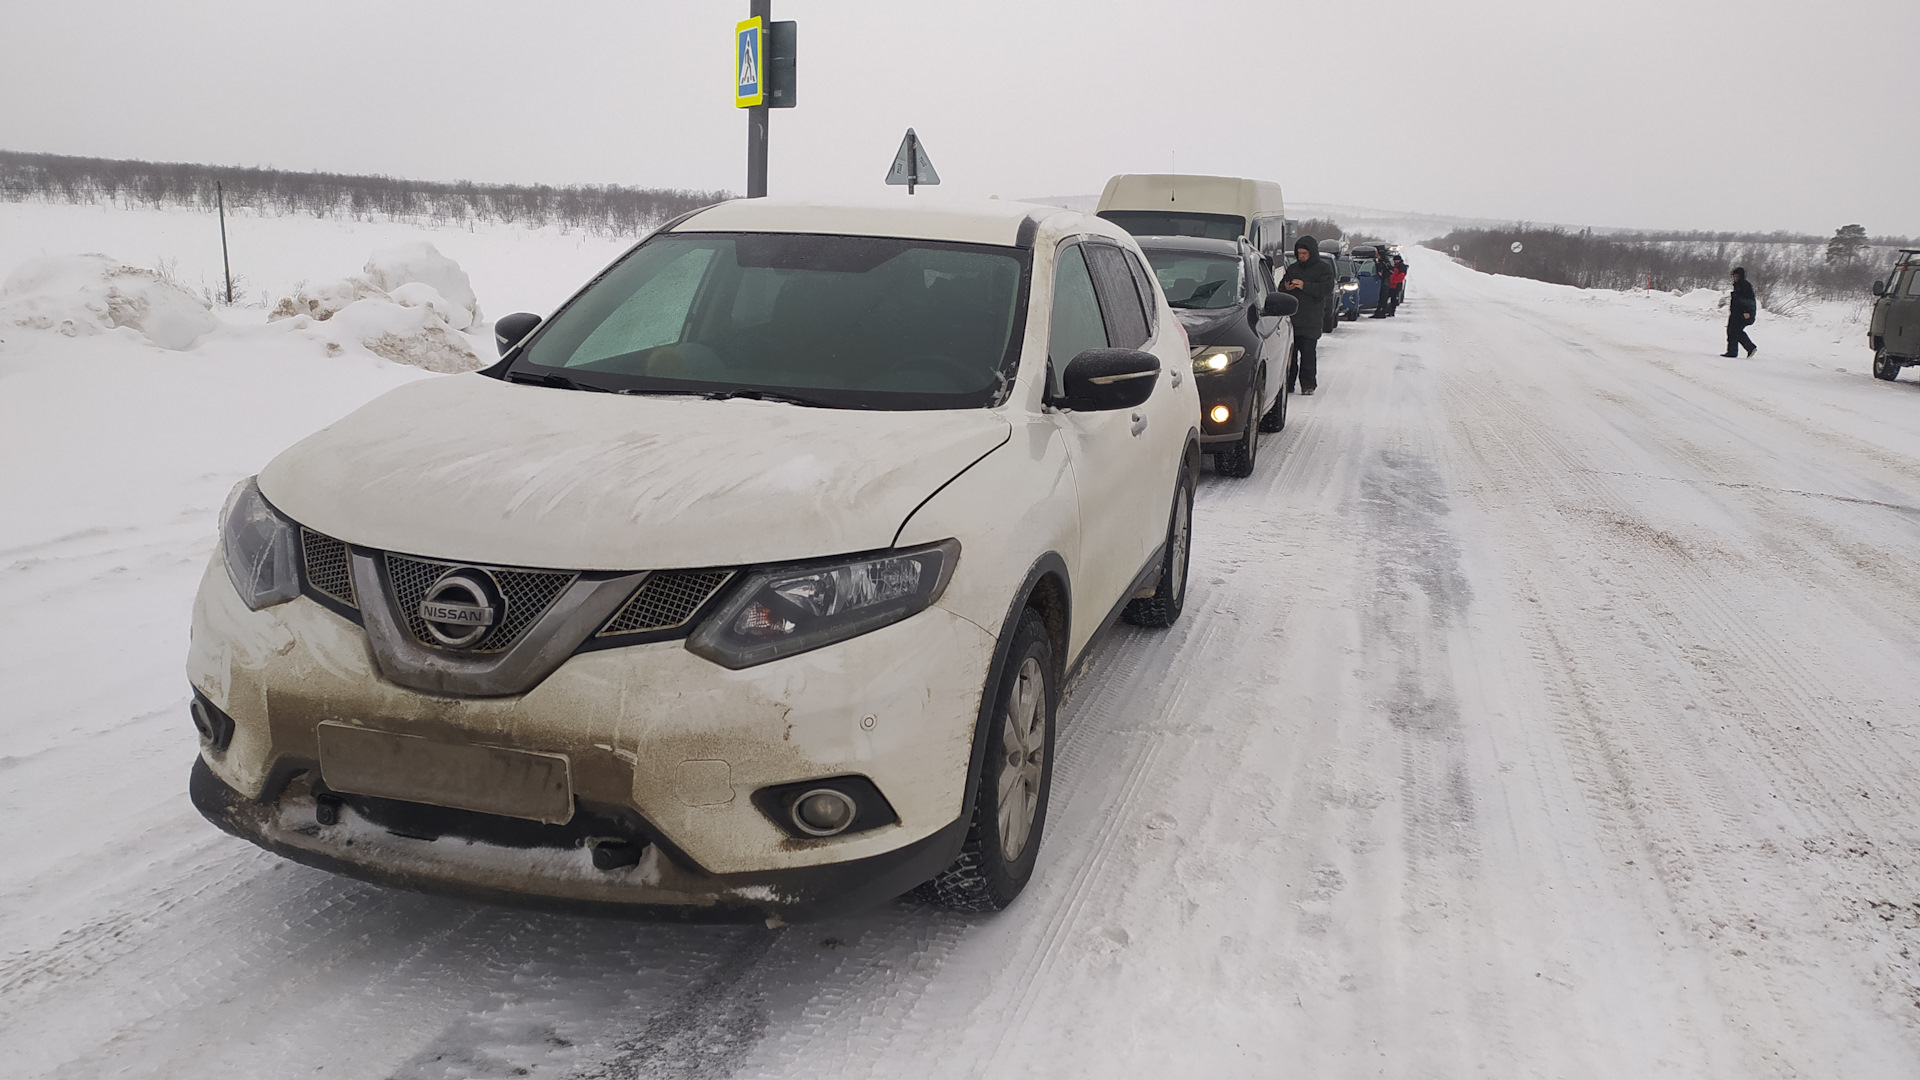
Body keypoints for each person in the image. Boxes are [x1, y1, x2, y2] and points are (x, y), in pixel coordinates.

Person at [1281, 235, 1335, 395]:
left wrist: (1305, 286)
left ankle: (1308, 385)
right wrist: (1287, 288)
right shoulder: (1293, 268)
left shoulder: (1323, 269)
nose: (1301, 256)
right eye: (1299, 253)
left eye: (1304, 253)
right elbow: (1282, 287)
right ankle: (1288, 385)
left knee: (1308, 356)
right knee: (1290, 356)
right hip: (1293, 319)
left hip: (1311, 320)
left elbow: (1325, 289)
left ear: (1312, 252)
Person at [1724, 268, 1757, 357]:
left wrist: (1746, 311)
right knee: (1732, 331)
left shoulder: (1745, 285)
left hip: (1742, 313)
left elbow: (1748, 300)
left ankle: (1747, 348)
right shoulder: (1738, 285)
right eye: (1733, 276)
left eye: (1736, 276)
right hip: (1736, 312)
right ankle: (1734, 351)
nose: (1734, 277)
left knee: (1735, 331)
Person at [1367, 248, 1393, 317]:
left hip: (1384, 282)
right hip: (1380, 282)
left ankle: (1382, 312)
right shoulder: (1379, 262)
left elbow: (1390, 271)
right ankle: (1379, 312)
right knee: (1381, 298)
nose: (1377, 256)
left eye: (1378, 255)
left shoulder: (1385, 263)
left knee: (1383, 298)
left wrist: (1383, 274)